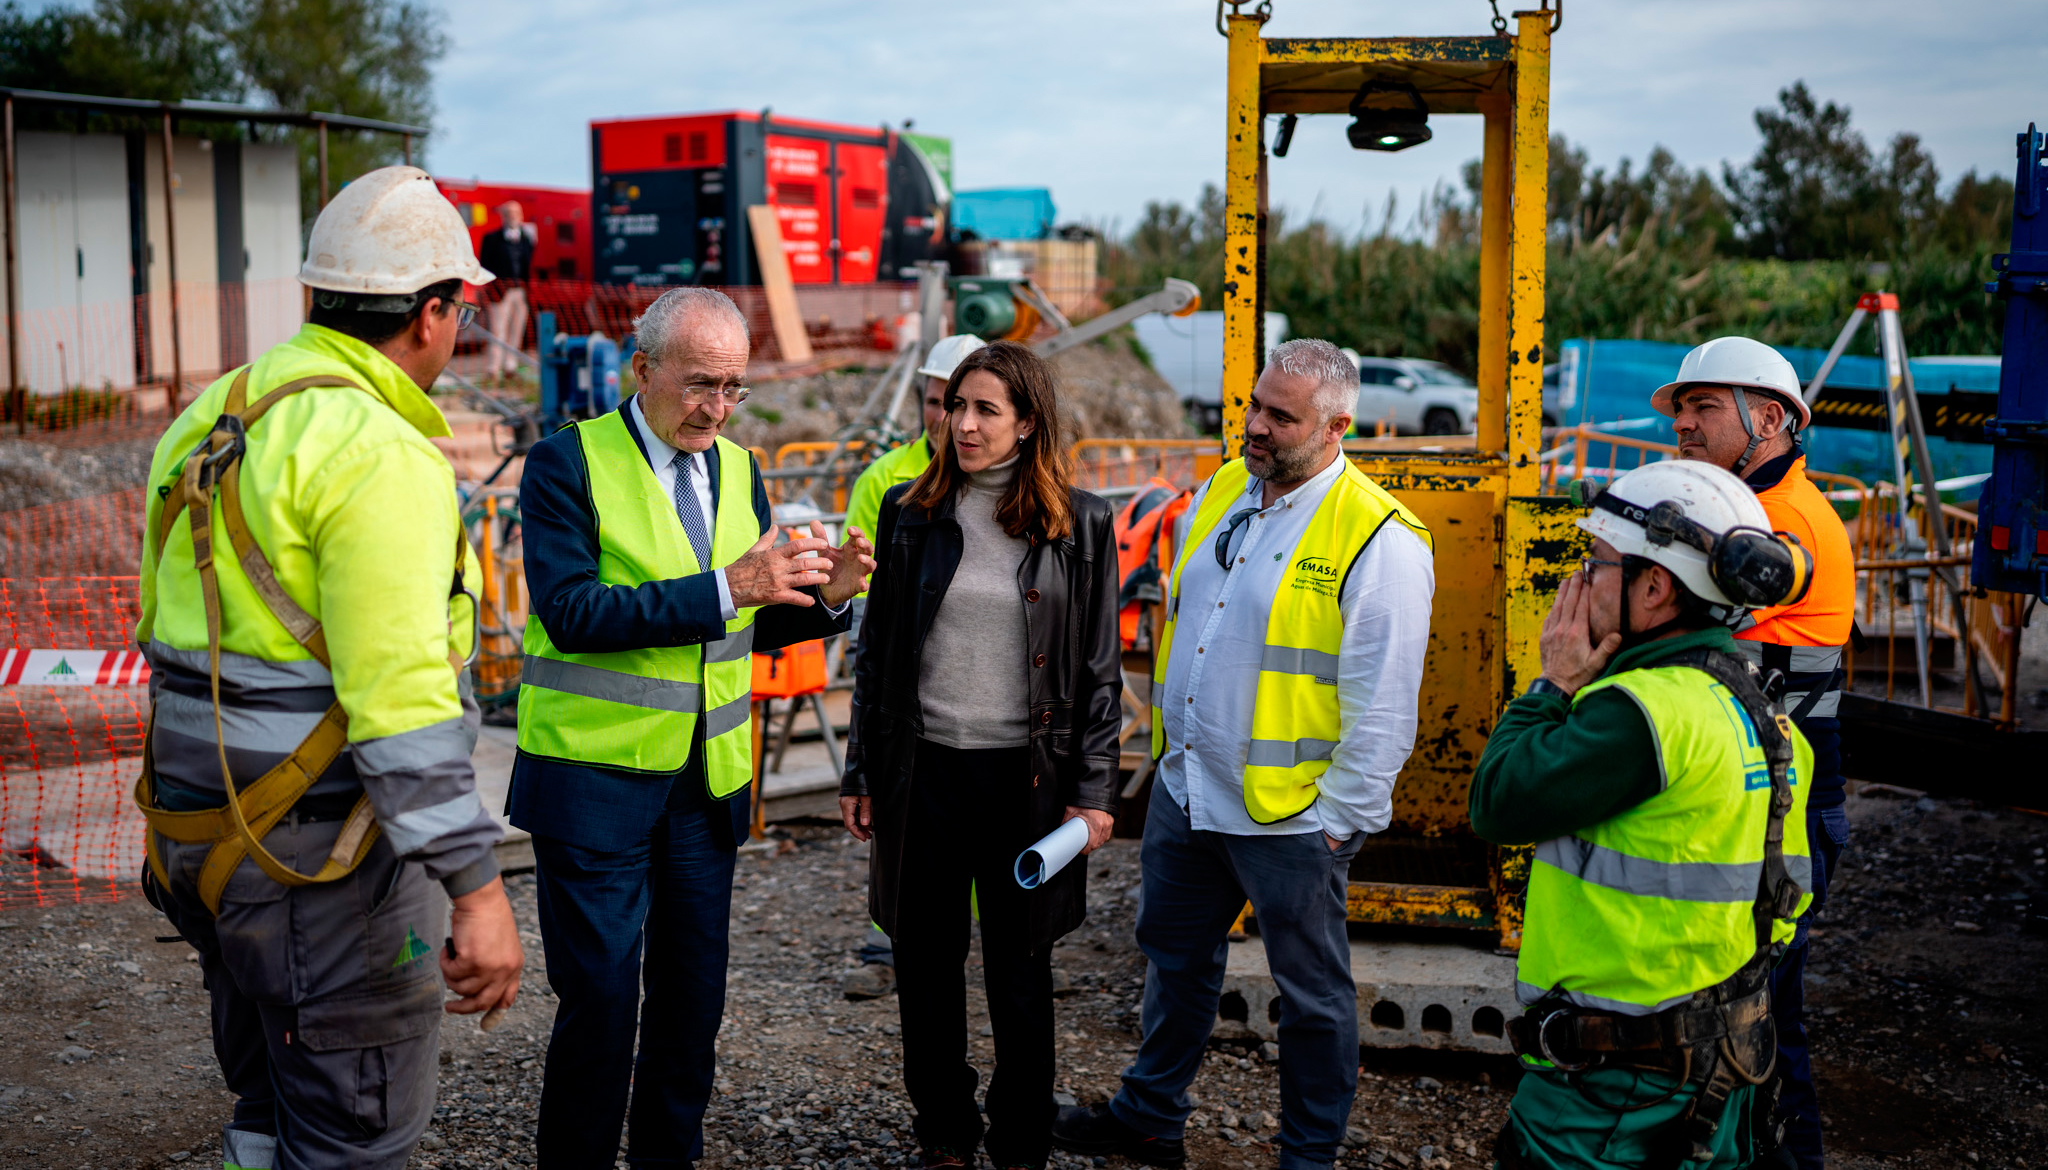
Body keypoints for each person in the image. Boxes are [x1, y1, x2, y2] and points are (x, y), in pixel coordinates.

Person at [133, 165, 522, 1170]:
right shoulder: (379, 452)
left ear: (320, 295)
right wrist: (476, 892)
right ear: (433, 313)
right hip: (318, 868)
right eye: (460, 306)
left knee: (268, 1098)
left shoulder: (213, 414)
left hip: (201, 838)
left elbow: (159, 631)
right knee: (352, 1133)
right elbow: (400, 706)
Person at [510, 286, 874, 1168]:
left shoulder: (739, 470)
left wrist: (826, 597)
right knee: (599, 1007)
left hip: (703, 791)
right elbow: (572, 612)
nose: (717, 407)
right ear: (643, 370)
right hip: (593, 785)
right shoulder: (565, 465)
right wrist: (729, 589)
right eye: (700, 383)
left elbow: (745, 616)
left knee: (690, 1005)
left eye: (735, 388)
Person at [1052, 338, 1436, 1170]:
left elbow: (1383, 708)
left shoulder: (1382, 541)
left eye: (1280, 417)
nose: (1255, 428)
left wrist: (1339, 821)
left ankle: (1308, 1155)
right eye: (1254, 407)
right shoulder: (1229, 487)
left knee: (1311, 997)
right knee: (1174, 960)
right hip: (1190, 792)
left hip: (1291, 816)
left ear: (1339, 426)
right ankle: (1150, 1117)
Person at [1469, 459, 1816, 1170]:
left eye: (1595, 563)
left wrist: (1553, 683)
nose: (1579, 583)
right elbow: (1787, 900)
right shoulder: (1768, 719)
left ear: (1655, 587)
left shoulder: (1636, 716)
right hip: (1727, 1062)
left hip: (1614, 1088)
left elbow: (1497, 800)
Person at [838, 340, 1122, 1170]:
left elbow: (1099, 672)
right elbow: (880, 653)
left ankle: (1023, 1137)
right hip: (922, 775)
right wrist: (861, 770)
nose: (960, 424)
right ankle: (945, 1134)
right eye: (952, 406)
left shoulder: (1083, 522)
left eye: (984, 410)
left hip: (1025, 788)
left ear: (1028, 423)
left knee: (1020, 975)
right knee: (925, 972)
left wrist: (1094, 793)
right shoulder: (908, 512)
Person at [1654, 336, 1854, 1170]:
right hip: (1762, 788)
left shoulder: (1779, 526)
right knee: (1744, 1011)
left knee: (1764, 1018)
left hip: (1784, 803)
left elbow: (1669, 619)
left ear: (1769, 419)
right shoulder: (1747, 509)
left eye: (1704, 409)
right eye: (1682, 410)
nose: (1683, 427)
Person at [839, 330, 985, 1002]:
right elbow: (862, 584)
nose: (945, 418)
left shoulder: (1005, 482)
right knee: (893, 808)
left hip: (975, 681)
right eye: (934, 401)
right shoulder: (885, 482)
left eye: (957, 402)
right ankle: (883, 941)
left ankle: (966, 934)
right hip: (903, 678)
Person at [478, 200, 537, 382]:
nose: (512, 217)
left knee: (516, 329)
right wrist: (490, 288)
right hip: (500, 291)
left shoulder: (526, 239)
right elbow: (484, 265)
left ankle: (510, 366)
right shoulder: (491, 239)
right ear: (503, 216)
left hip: (520, 291)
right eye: (509, 213)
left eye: (515, 213)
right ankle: (493, 368)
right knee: (498, 330)